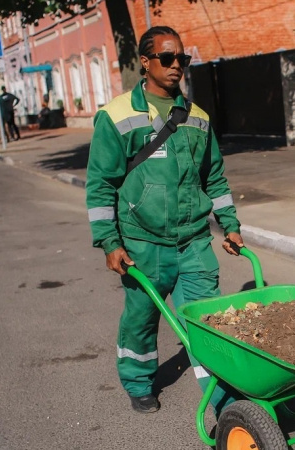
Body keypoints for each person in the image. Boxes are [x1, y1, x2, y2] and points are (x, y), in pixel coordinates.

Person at [86, 26, 244, 415]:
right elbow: (101, 185)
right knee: (141, 319)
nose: (177, 66)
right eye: (167, 58)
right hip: (143, 244)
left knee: (208, 322)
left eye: (182, 59)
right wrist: (109, 241)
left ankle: (223, 400)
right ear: (145, 62)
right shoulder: (116, 116)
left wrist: (230, 223)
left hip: (193, 242)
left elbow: (215, 178)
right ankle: (138, 381)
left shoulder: (199, 118)